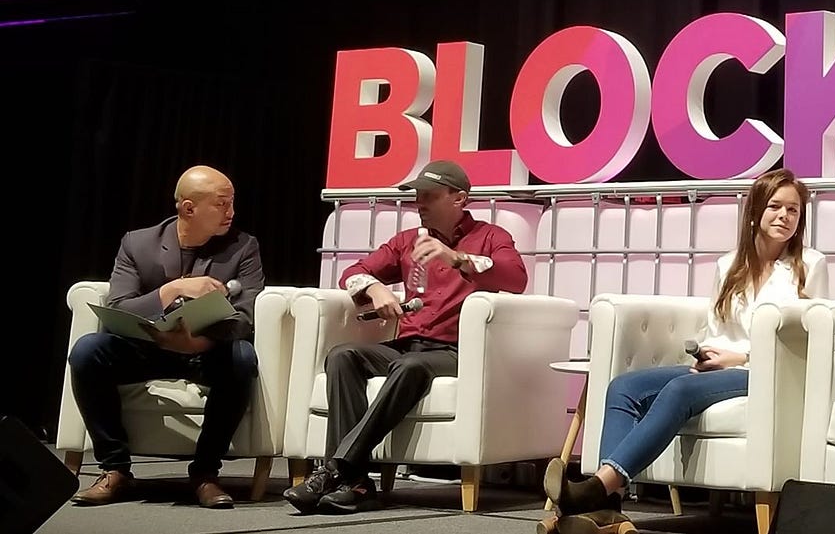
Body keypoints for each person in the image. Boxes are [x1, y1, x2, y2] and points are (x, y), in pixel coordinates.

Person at [544, 168, 830, 525]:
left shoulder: (810, 265)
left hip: (768, 371)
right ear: (756, 211)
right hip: (719, 366)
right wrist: (706, 354)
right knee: (624, 387)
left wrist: (741, 357)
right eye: (775, 206)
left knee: (680, 389)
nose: (784, 216)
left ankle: (597, 488)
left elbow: (811, 338)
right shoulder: (729, 265)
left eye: (793, 210)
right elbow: (718, 327)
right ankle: (608, 507)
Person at [283, 159, 528, 515]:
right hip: (409, 345)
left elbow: (515, 278)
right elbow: (354, 272)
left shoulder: (491, 236)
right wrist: (375, 288)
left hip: (458, 351)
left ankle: (335, 470)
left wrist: (457, 258)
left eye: (429, 195)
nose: (419, 202)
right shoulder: (407, 241)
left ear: (459, 198)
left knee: (411, 365)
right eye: (417, 195)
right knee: (343, 355)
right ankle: (357, 483)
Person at [67, 166, 266, 509]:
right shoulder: (138, 243)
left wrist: (198, 343)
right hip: (149, 346)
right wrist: (172, 290)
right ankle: (115, 469)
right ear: (189, 208)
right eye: (222, 203)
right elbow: (119, 306)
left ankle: (205, 473)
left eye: (232, 202)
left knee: (242, 358)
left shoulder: (243, 246)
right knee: (87, 351)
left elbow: (245, 317)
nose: (231, 212)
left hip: (206, 350)